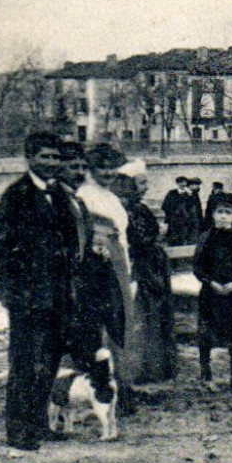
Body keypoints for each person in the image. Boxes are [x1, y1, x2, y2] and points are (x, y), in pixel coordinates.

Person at [0, 132, 83, 451]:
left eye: (55, 157)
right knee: (26, 362)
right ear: (29, 158)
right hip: (28, 298)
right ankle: (18, 431)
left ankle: (39, 423)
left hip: (58, 296)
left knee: (50, 361)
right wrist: (11, 291)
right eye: (45, 156)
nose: (51, 163)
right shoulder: (17, 196)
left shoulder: (60, 195)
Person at [78, 144, 137, 408]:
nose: (108, 172)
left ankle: (122, 384)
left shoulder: (110, 197)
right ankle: (101, 388)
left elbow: (122, 235)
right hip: (99, 267)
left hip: (118, 262)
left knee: (120, 323)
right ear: (91, 168)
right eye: (102, 167)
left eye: (112, 167)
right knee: (100, 326)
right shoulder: (85, 196)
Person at [113, 161, 176, 384]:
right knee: (142, 316)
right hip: (140, 270)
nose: (146, 187)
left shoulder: (140, 208)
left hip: (152, 268)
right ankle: (140, 369)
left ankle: (154, 367)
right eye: (141, 183)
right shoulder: (122, 210)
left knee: (154, 316)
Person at [192, 195, 232, 389]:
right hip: (210, 294)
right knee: (206, 333)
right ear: (212, 215)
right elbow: (197, 265)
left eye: (227, 213)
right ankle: (205, 374)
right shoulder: (206, 238)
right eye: (219, 212)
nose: (223, 216)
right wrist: (209, 282)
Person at [162, 176, 201, 247]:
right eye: (180, 182)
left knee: (188, 241)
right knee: (175, 241)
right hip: (174, 222)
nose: (183, 184)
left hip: (187, 223)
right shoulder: (172, 193)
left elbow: (196, 209)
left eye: (184, 182)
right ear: (177, 183)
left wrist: (190, 196)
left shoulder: (191, 194)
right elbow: (165, 206)